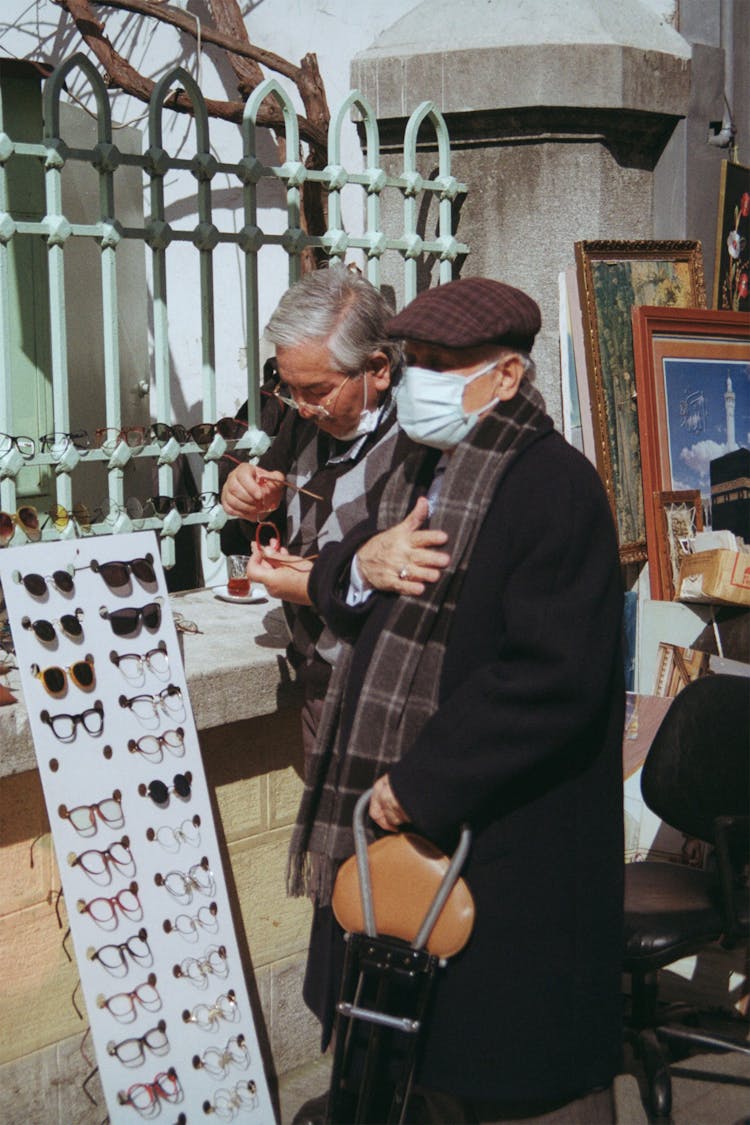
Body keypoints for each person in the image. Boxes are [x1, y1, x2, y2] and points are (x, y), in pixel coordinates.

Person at [289, 277, 625, 1123]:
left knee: (498, 1074)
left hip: (503, 839)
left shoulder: (555, 487)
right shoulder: (415, 465)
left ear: (507, 376)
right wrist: (359, 568)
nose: (417, 382)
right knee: (411, 1061)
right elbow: (346, 570)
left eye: (444, 365)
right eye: (413, 363)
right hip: (409, 832)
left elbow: (551, 680)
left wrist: (418, 783)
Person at [220, 265, 414, 765]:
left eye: (317, 390)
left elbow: (419, 590)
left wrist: (312, 585)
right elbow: (274, 512)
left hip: (393, 696)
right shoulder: (303, 421)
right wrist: (249, 499)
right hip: (319, 681)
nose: (302, 407)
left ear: (378, 368)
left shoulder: (420, 446)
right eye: (290, 389)